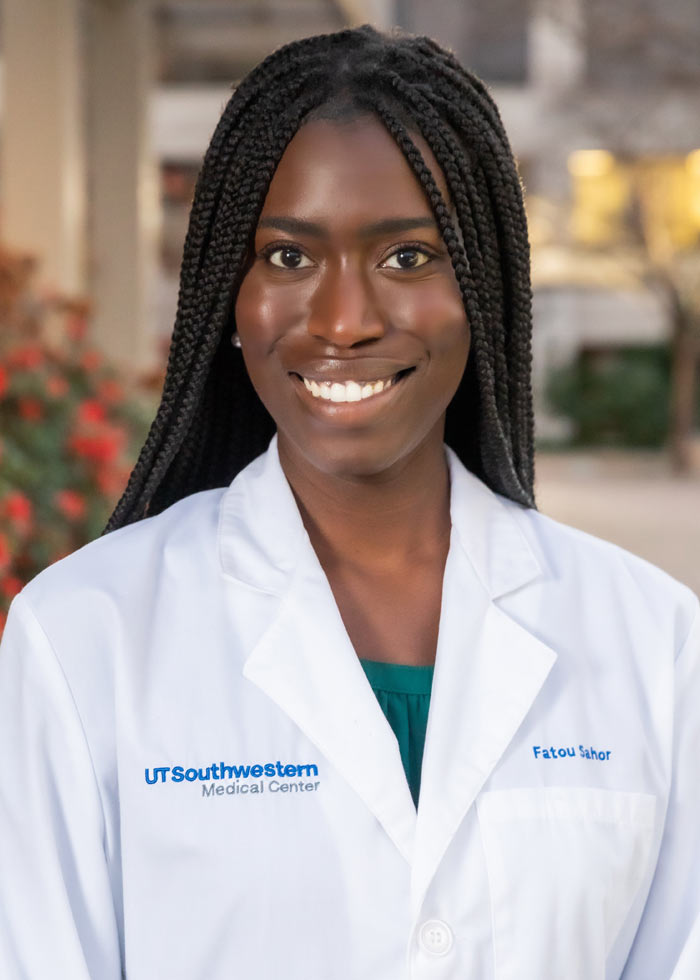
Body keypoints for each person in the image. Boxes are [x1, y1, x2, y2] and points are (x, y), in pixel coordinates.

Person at [0, 24, 698, 980]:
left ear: (483, 289)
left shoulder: (654, 644)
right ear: (227, 300)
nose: (342, 320)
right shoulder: (85, 640)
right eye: (288, 258)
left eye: (407, 257)